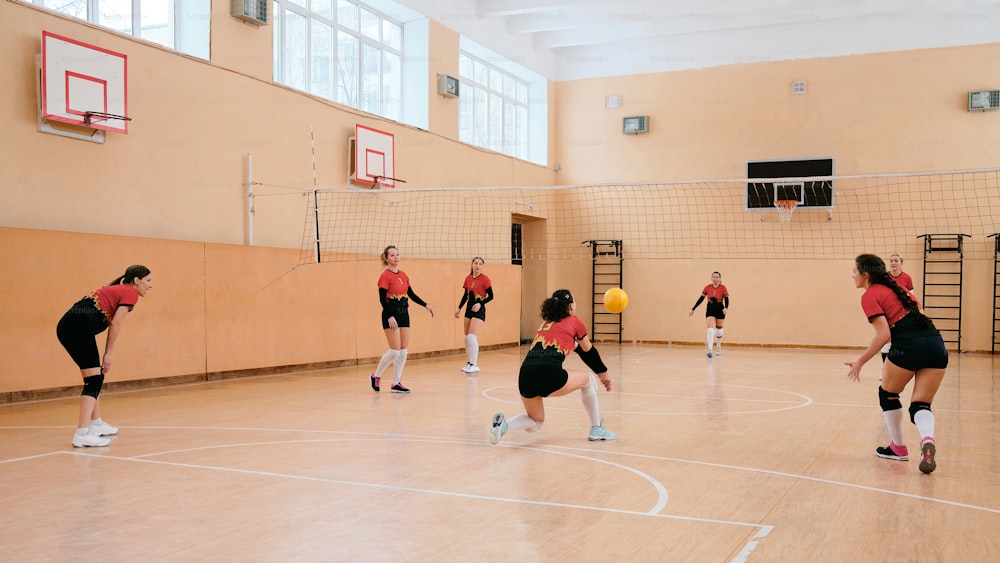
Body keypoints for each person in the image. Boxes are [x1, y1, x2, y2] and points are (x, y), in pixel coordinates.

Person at [845, 254, 947, 474]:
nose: (852, 275)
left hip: (908, 347)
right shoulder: (903, 291)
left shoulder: (870, 295)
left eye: (854, 271)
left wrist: (860, 361)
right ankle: (927, 439)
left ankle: (898, 448)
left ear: (866, 274)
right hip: (937, 345)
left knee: (888, 395)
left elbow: (884, 334)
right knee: (921, 405)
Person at [489, 289, 615, 444]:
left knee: (536, 421)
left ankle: (503, 427)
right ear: (570, 306)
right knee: (588, 380)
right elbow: (589, 350)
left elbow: (579, 349)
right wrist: (602, 372)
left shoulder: (546, 325)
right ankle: (597, 428)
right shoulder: (574, 322)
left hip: (525, 375)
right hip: (549, 374)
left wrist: (601, 370)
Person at [56, 265, 153, 448]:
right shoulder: (129, 293)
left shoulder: (117, 290)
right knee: (94, 380)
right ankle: (82, 433)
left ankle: (96, 424)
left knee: (93, 378)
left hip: (67, 327)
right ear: (136, 281)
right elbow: (116, 324)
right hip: (77, 327)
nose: (150, 285)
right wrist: (108, 353)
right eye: (147, 281)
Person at [370, 245, 434, 394]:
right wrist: (390, 316)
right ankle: (376, 375)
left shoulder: (404, 275)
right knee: (394, 351)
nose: (396, 257)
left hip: (404, 314)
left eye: (397, 254)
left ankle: (396, 383)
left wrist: (426, 304)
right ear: (386, 258)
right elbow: (382, 299)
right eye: (392, 255)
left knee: (403, 351)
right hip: (390, 314)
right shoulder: (385, 276)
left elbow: (411, 294)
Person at [454, 257, 493, 374]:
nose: (477, 266)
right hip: (468, 310)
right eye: (476, 263)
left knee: (472, 337)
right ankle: (469, 362)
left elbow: (491, 296)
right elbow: (465, 295)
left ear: (482, 266)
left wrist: (480, 304)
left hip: (479, 310)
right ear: (472, 264)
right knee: (466, 338)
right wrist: (459, 308)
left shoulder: (485, 279)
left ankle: (474, 364)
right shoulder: (468, 278)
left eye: (480, 264)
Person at [881, 253, 916, 362]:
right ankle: (885, 370)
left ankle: (898, 369)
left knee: (900, 340)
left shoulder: (907, 278)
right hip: (887, 312)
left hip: (902, 314)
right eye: (891, 261)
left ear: (901, 263)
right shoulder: (884, 277)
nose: (893, 263)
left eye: (896, 261)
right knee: (885, 339)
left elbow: (911, 296)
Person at [688, 271, 729, 357]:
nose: (715, 278)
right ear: (711, 278)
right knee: (710, 330)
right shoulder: (707, 287)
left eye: (717, 277)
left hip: (720, 309)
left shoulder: (723, 288)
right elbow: (701, 299)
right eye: (713, 277)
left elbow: (726, 299)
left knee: (719, 330)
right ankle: (710, 349)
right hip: (710, 309)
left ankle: (718, 346)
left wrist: (726, 308)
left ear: (720, 278)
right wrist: (693, 309)